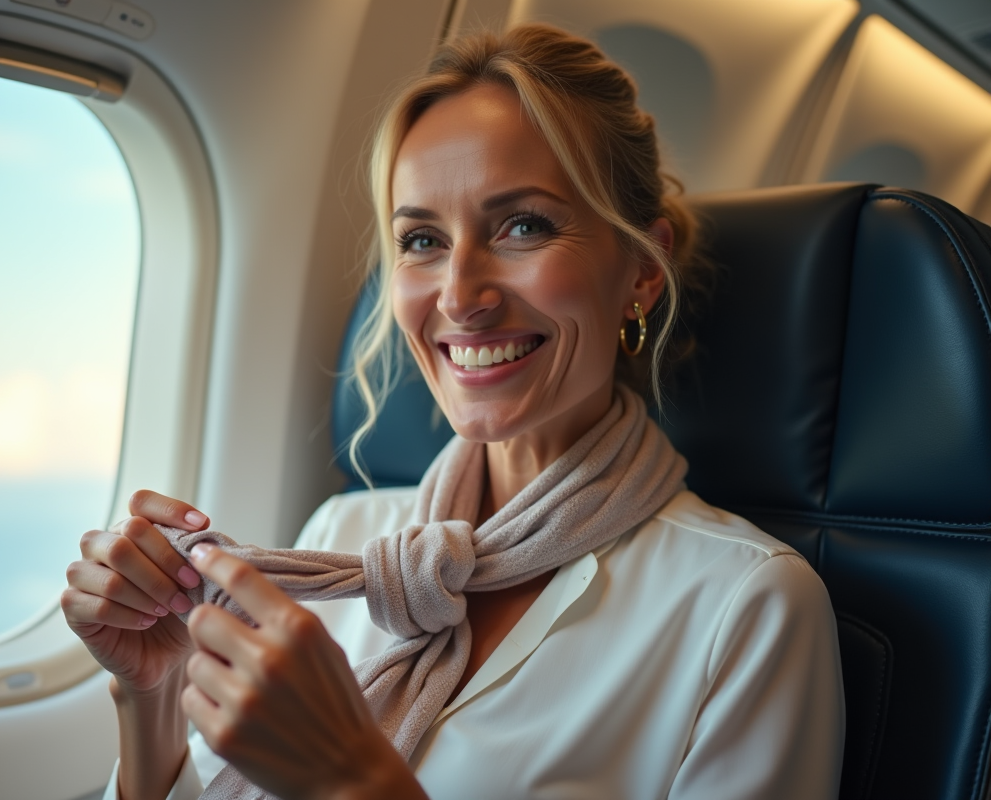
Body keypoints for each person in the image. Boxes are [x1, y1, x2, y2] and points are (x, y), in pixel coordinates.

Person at [62, 24, 844, 800]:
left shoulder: (747, 605)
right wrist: (151, 694)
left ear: (641, 271)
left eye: (524, 225)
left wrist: (351, 780)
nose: (461, 297)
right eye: (424, 239)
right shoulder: (341, 539)